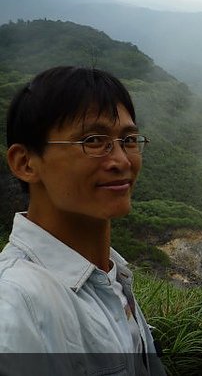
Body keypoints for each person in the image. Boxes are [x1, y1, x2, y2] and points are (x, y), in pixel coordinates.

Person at [0, 66, 166, 375]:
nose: (121, 160)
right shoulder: (14, 307)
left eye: (129, 139)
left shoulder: (112, 277)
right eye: (93, 141)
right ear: (25, 163)